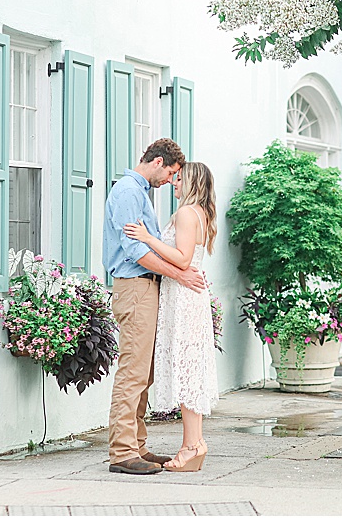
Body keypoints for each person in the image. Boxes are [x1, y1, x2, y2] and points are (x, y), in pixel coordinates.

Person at [102, 139, 205, 475]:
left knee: (143, 374)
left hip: (147, 288)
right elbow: (135, 250)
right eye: (171, 173)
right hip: (135, 288)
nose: (170, 181)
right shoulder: (129, 191)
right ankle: (122, 452)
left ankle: (138, 447)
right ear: (158, 162)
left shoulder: (141, 192)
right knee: (133, 373)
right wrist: (181, 274)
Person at [123, 161, 219, 472]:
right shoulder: (199, 213)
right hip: (187, 295)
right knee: (189, 368)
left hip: (183, 298)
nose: (173, 184)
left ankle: (192, 446)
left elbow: (183, 258)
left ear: (190, 182)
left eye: (178, 180)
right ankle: (195, 443)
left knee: (187, 370)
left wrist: (147, 238)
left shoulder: (186, 214)